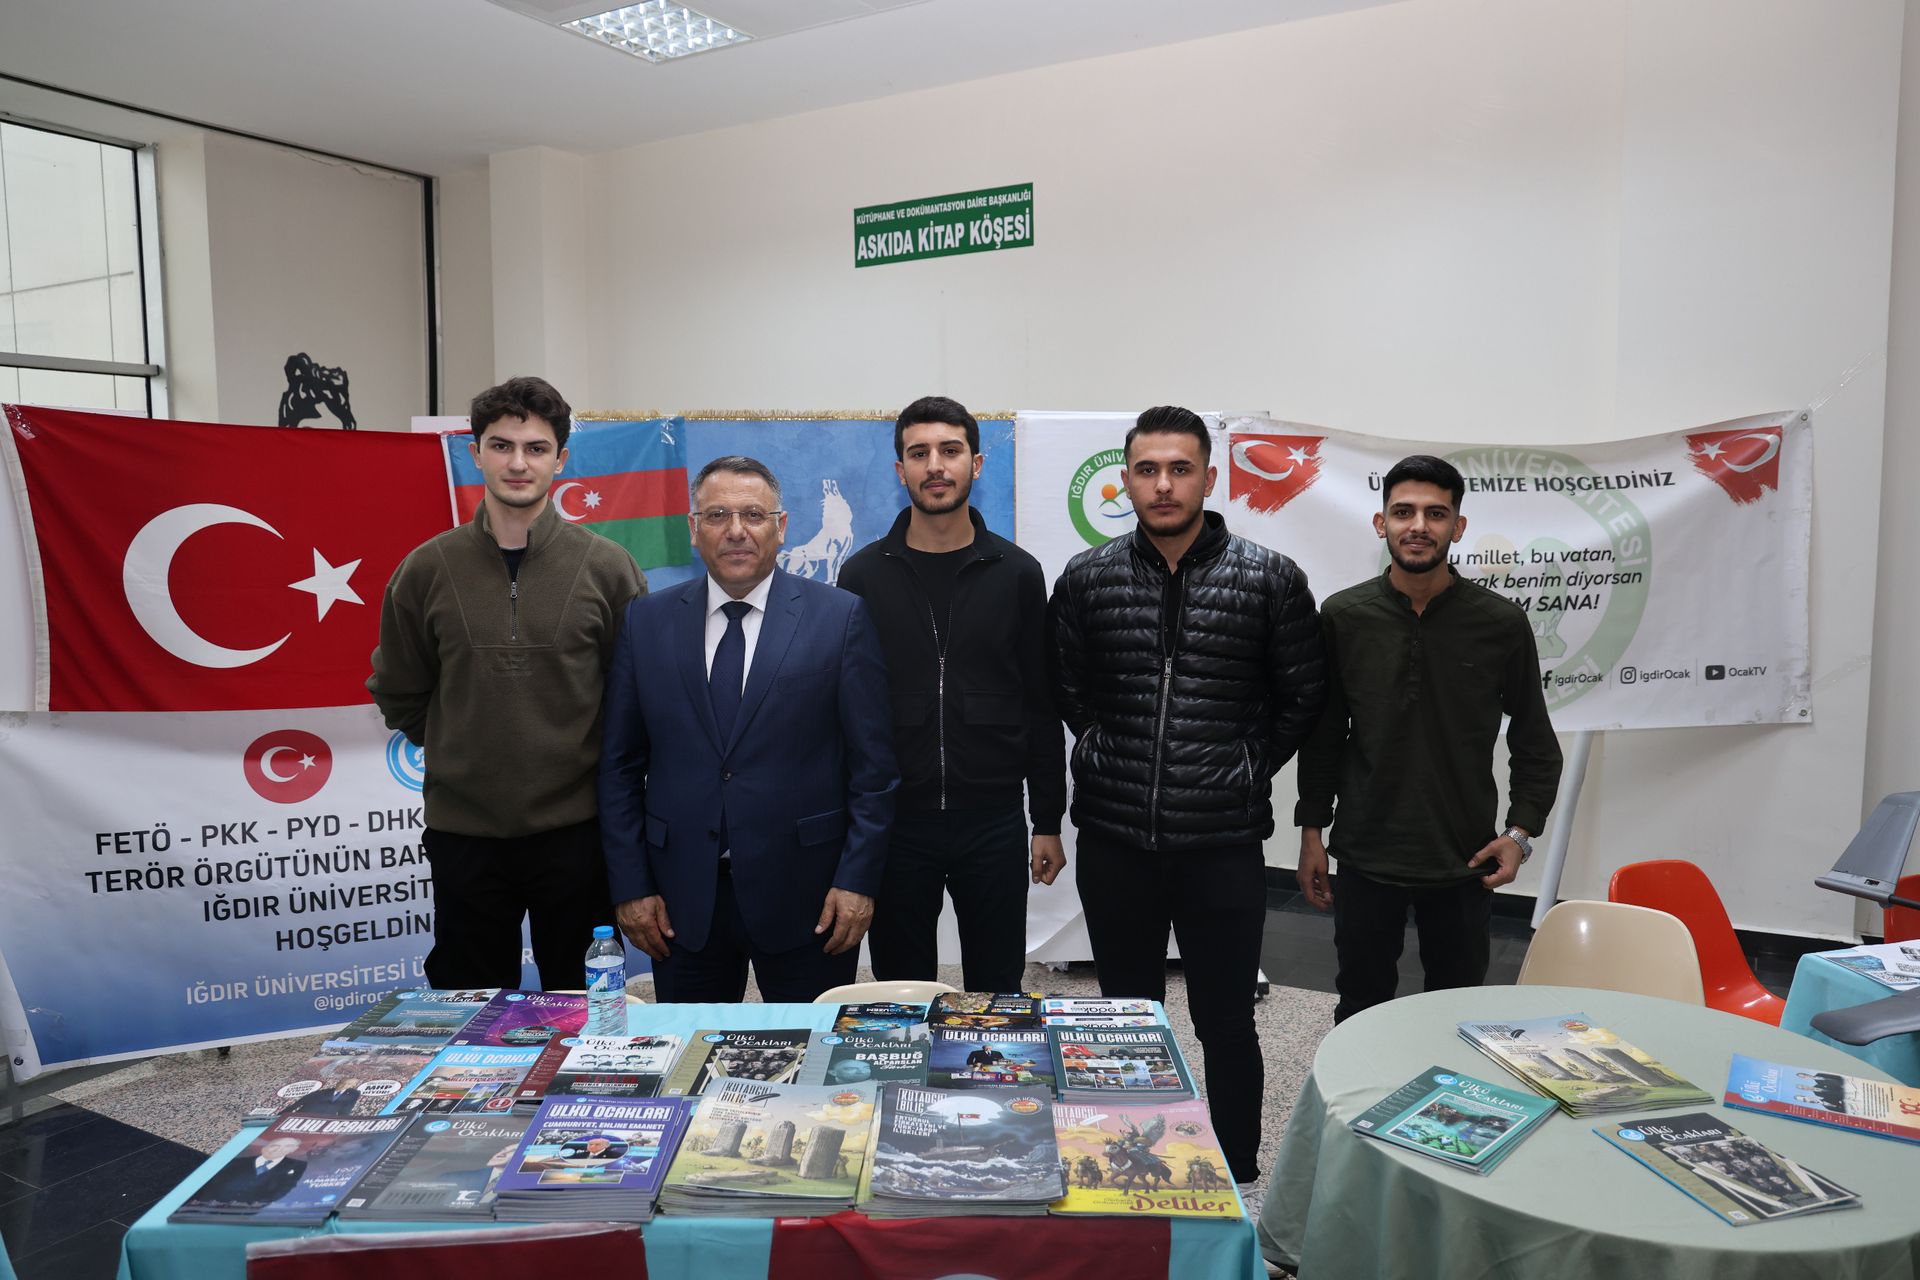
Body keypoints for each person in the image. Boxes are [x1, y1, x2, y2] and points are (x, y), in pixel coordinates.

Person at [1049, 405, 1326, 1183]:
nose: (1163, 485)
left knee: (1226, 1021)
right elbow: (1067, 687)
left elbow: (1303, 695)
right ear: (1126, 480)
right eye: (1147, 470)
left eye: (1180, 469)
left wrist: (1243, 764)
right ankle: (1125, 1172)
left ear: (1209, 477)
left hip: (1221, 845)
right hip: (1115, 841)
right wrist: (1105, 749)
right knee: (1127, 1020)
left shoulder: (1270, 578)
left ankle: (1235, 1175)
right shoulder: (1087, 578)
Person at [368, 376, 645, 990]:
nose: (518, 463)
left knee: (582, 1007)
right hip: (464, 834)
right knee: (469, 1008)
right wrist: (463, 743)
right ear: (476, 453)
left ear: (560, 459)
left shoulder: (608, 569)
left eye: (536, 448)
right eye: (501, 446)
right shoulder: (425, 569)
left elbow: (632, 699)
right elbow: (400, 690)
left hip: (578, 835)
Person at [599, 455, 898, 1003]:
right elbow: (619, 767)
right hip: (680, 902)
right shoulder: (646, 622)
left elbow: (874, 772)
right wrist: (631, 886)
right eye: (717, 515)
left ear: (781, 527)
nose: (736, 530)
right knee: (690, 1051)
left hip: (810, 898)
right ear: (694, 529)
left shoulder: (840, 618)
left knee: (812, 1051)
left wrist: (856, 881)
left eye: (753, 515)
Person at [1295, 454, 1562, 1024]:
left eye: (1435, 514)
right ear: (1381, 523)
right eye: (1403, 512)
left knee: (1455, 1013)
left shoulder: (1500, 623)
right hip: (1366, 851)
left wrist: (1520, 833)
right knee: (1361, 1008)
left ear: (1457, 527)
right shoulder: (1344, 616)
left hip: (1464, 857)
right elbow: (1324, 736)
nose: (1418, 525)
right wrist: (1311, 831)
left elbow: (1535, 739)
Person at [839, 395, 1067, 993]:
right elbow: (848, 712)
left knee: (997, 989)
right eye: (919, 453)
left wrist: (1047, 819)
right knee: (901, 991)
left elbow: (1039, 704)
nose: (935, 465)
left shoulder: (1017, 572)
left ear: (976, 464)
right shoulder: (861, 576)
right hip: (896, 823)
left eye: (950, 450)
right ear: (900, 470)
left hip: (992, 820)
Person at [196, 1136, 306, 1209]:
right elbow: (214, 1184)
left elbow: (285, 1192)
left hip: (253, 1214)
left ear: (293, 1150)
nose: (279, 1149)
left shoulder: (298, 1167)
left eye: (287, 1146)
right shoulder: (237, 1162)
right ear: (264, 1148)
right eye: (275, 1146)